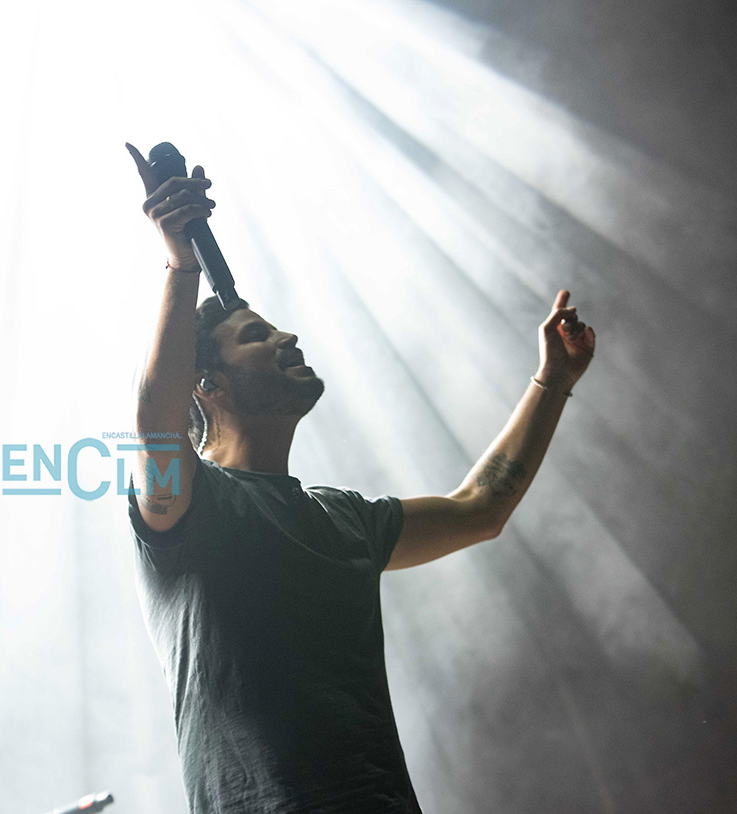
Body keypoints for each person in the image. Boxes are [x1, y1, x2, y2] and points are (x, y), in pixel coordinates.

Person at [122, 142, 596, 814]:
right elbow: (156, 423)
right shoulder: (191, 507)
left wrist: (553, 379)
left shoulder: (345, 520)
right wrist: (181, 265)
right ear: (209, 386)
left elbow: (481, 507)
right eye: (257, 336)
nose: (287, 338)